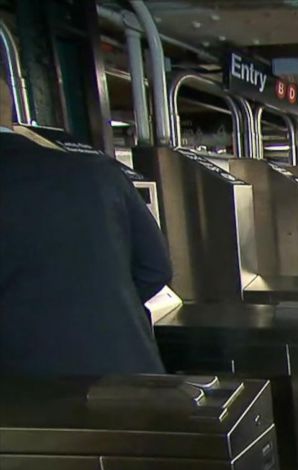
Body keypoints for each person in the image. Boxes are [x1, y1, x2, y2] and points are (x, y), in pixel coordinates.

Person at [0, 73, 172, 377]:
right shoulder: (97, 171)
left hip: (25, 392)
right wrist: (99, 309)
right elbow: (155, 268)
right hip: (127, 371)